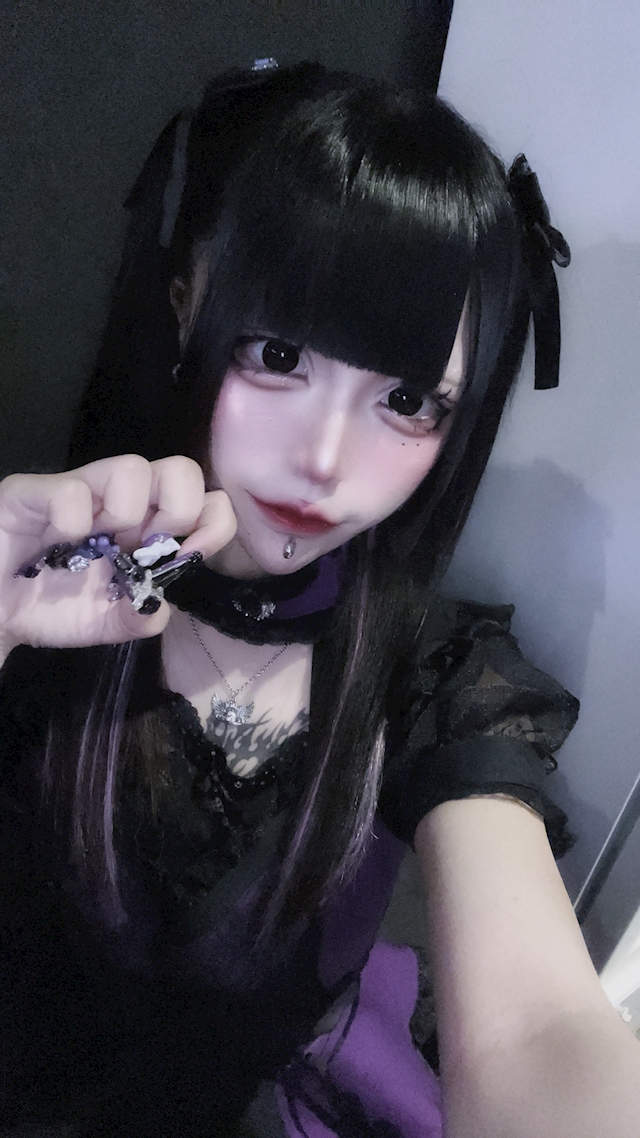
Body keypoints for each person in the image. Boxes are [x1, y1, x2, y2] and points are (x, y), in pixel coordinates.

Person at [0, 61, 639, 1138]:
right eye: (279, 353)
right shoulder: (39, 574)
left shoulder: (439, 674)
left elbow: (537, 1027)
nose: (326, 462)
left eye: (407, 400)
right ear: (186, 306)